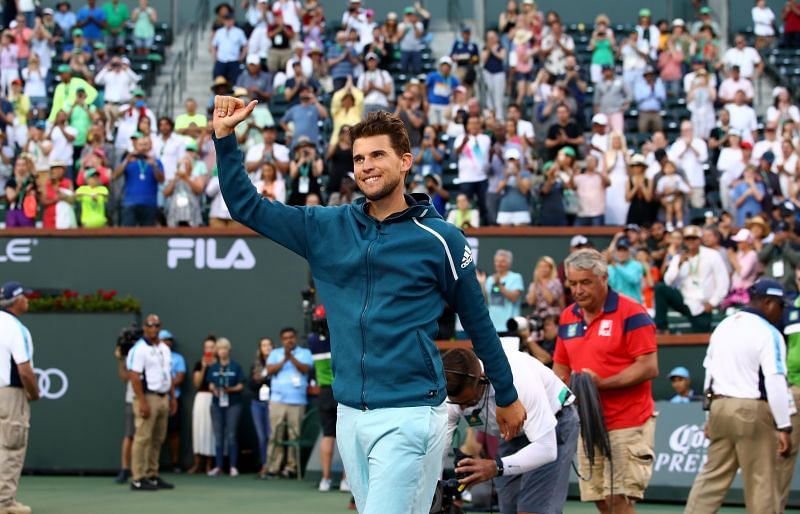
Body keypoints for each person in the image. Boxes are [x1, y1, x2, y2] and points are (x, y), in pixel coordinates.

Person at [212, 97, 524, 513]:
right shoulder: (326, 227)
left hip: (411, 411)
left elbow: (479, 324)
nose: (366, 166)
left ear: (406, 161)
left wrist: (506, 394)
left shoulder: (443, 239)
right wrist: (225, 138)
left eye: (378, 155)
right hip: (349, 415)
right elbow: (245, 205)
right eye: (359, 158)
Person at [553, 249, 658, 514]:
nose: (578, 290)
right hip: (587, 420)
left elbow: (648, 366)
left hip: (627, 420)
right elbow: (561, 368)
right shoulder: (568, 316)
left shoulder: (631, 312)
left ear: (604, 278)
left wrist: (603, 383)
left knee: (618, 498)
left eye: (585, 282)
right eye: (573, 283)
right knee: (600, 496)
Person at [685, 279, 792, 514]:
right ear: (767, 303)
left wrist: (709, 413)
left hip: (719, 406)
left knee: (711, 479)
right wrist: (784, 425)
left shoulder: (724, 325)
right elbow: (774, 381)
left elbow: (709, 372)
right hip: (751, 409)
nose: (783, 311)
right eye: (781, 305)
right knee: (761, 480)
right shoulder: (769, 332)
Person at [443, 347, 579, 514]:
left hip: (552, 424)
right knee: (509, 509)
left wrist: (497, 467)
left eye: (470, 402)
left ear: (483, 379)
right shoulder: (451, 393)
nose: (462, 409)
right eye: (457, 404)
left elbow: (547, 449)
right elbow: (440, 449)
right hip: (511, 432)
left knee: (532, 510)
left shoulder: (520, 379)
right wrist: (437, 490)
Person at [0, 282, 39, 514]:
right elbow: (24, 370)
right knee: (11, 446)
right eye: (25, 296)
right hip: (9, 394)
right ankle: (4, 502)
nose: (27, 300)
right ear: (17, 301)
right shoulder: (16, 327)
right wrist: (34, 393)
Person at [126, 314, 176, 491]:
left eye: (157, 325)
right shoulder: (139, 349)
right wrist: (142, 402)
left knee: (157, 438)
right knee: (142, 437)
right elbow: (134, 376)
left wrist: (172, 397)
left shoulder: (164, 348)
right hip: (147, 396)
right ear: (145, 328)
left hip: (162, 396)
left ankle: (152, 474)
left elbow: (168, 372)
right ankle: (138, 478)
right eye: (150, 325)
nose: (154, 329)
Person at [655, 225, 730, 332]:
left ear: (700, 240)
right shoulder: (679, 257)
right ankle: (662, 328)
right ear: (684, 241)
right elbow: (668, 281)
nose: (691, 241)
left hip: (703, 304)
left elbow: (723, 281)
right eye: (688, 239)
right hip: (684, 299)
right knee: (660, 288)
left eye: (694, 239)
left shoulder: (712, 255)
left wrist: (713, 302)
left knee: (701, 337)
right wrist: (678, 265)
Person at [264, 327, 313, 479]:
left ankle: (291, 467)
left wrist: (291, 357)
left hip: (297, 401)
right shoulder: (275, 353)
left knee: (294, 436)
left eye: (291, 337)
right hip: (277, 400)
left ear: (296, 338)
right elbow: (270, 370)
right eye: (285, 338)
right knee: (275, 435)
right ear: (281, 340)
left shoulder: (305, 353)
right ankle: (273, 467)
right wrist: (284, 358)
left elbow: (306, 369)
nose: (289, 340)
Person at [206, 337, 245, 477]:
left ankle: (233, 466)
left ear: (229, 350)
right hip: (217, 405)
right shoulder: (213, 368)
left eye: (225, 348)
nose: (222, 351)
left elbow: (241, 384)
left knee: (232, 435)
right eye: (220, 349)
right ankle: (218, 466)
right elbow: (210, 383)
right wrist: (214, 389)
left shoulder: (236, 366)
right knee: (218, 436)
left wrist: (231, 389)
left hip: (233, 404)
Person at [112, 135, 164, 227]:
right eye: (141, 145)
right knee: (128, 234)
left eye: (145, 145)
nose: (143, 147)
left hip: (149, 203)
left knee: (148, 235)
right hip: (130, 203)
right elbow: (115, 176)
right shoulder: (129, 161)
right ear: (135, 146)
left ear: (150, 146)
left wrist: (154, 166)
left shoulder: (156, 161)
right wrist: (126, 161)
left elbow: (161, 180)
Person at [158, 330, 185, 473]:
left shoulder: (177, 358)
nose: (167, 342)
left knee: (174, 432)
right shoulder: (153, 356)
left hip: (174, 398)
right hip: (157, 398)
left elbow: (180, 377)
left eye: (169, 340)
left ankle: (175, 463)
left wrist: (167, 384)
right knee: (156, 432)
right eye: (164, 339)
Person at [479, 249, 525, 333]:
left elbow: (514, 298)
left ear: (509, 264)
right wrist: (482, 284)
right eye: (497, 261)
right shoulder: (490, 279)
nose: (499, 264)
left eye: (502, 261)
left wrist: (499, 285)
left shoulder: (516, 277)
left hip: (509, 326)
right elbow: (485, 301)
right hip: (492, 326)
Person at [189, 336, 217, 474]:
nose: (209, 350)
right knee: (199, 430)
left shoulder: (220, 365)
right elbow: (197, 383)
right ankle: (197, 464)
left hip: (215, 398)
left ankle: (210, 465)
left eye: (212, 347)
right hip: (201, 398)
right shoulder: (199, 364)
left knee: (211, 430)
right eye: (207, 347)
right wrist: (205, 368)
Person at [249, 337, 273, 479]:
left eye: (269, 345)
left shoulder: (277, 362)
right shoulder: (255, 365)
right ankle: (264, 464)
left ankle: (273, 466)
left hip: (272, 403)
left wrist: (265, 379)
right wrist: (257, 380)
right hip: (257, 404)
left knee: (272, 435)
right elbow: (251, 386)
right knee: (261, 436)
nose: (267, 347)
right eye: (264, 345)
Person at [211, 13, 248, 86]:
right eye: (226, 20)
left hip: (233, 60)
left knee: (233, 82)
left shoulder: (239, 32)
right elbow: (214, 45)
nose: (228, 22)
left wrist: (241, 57)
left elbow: (245, 45)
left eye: (229, 20)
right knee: (218, 82)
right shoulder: (219, 31)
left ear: (233, 21)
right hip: (221, 60)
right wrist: (214, 57)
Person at [608, 237, 644, 304]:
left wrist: (617, 267)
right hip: (617, 304)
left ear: (629, 251)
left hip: (634, 304)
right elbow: (610, 285)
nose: (622, 253)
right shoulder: (610, 267)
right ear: (616, 252)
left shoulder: (636, 265)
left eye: (624, 250)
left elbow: (633, 280)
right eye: (619, 250)